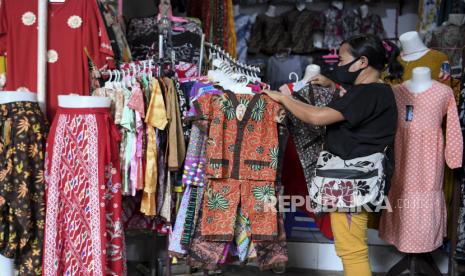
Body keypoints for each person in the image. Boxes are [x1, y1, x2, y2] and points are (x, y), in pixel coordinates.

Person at [264, 34, 401, 276]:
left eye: (341, 60)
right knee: (351, 247)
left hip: (350, 183)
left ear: (361, 62)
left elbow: (317, 117)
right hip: (355, 181)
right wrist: (334, 86)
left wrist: (284, 99)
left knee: (351, 250)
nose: (337, 66)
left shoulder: (367, 94)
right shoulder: (375, 91)